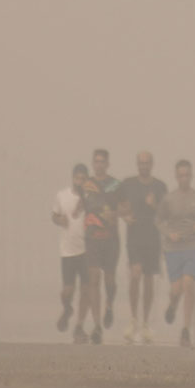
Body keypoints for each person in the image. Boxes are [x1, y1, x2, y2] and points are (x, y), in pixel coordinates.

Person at [156, 159, 195, 347]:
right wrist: (168, 233)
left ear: (191, 175)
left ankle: (185, 329)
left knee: (189, 284)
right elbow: (158, 221)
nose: (184, 178)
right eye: (181, 175)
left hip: (193, 246)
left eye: (187, 175)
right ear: (176, 176)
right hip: (173, 249)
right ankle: (172, 306)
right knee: (176, 289)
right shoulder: (169, 199)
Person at [117, 151, 168, 345]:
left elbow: (166, 214)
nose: (143, 166)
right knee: (135, 274)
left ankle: (145, 322)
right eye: (141, 163)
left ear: (152, 164)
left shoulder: (160, 186)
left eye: (146, 163)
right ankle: (133, 320)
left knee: (148, 280)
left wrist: (154, 205)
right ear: (137, 164)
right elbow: (117, 205)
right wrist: (124, 215)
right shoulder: (127, 184)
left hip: (153, 238)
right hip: (135, 237)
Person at [78, 148, 123, 345]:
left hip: (111, 239)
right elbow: (78, 205)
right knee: (93, 279)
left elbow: (125, 207)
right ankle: (97, 325)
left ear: (107, 163)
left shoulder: (116, 185)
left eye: (102, 161)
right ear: (93, 163)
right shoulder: (85, 185)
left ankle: (110, 305)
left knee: (110, 281)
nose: (99, 165)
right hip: (92, 239)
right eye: (96, 161)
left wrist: (118, 214)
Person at [51, 163, 89, 343]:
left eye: (83, 179)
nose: (80, 182)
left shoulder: (90, 197)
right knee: (68, 290)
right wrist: (60, 220)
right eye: (77, 178)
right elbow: (54, 215)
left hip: (86, 250)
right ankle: (67, 308)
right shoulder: (62, 196)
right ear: (73, 178)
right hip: (67, 250)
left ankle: (79, 326)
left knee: (86, 289)